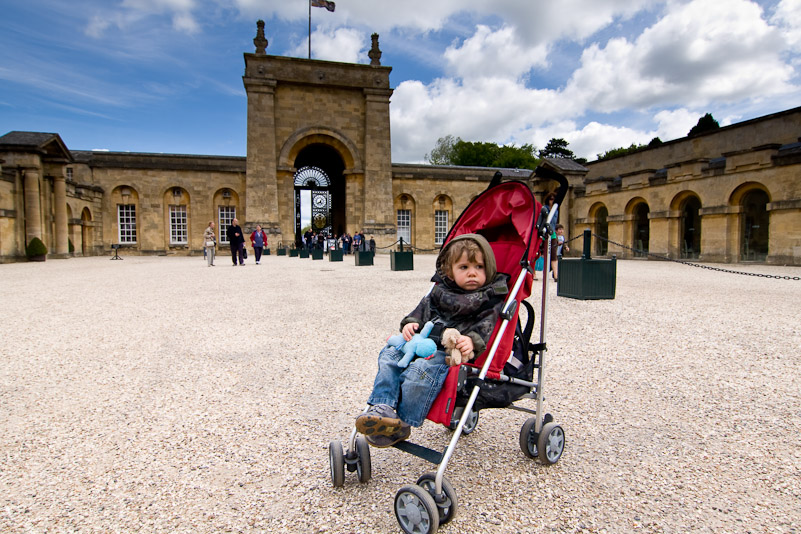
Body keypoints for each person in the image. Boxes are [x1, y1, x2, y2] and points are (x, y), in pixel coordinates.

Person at [354, 234, 509, 447]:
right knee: (389, 354)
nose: (472, 273)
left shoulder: (488, 299)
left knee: (421, 370)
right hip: (420, 342)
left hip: (444, 354)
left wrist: (471, 341)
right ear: (450, 272)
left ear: (489, 269)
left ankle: (402, 422)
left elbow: (487, 325)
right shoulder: (439, 292)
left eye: (479, 267)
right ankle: (383, 407)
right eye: (464, 267)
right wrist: (410, 323)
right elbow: (420, 311)